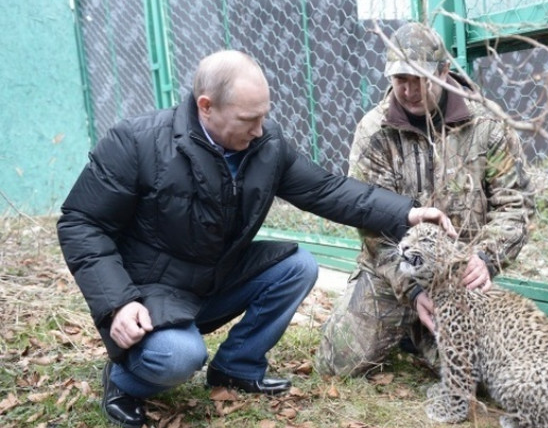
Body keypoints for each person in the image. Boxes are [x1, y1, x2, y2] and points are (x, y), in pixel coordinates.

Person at [56, 49, 454, 428]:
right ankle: (124, 382)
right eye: (249, 118)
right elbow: (81, 223)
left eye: (264, 116)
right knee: (180, 356)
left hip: (215, 276)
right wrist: (118, 303)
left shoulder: (265, 144)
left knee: (297, 267)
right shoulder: (137, 143)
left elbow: (326, 191)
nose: (260, 128)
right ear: (206, 106)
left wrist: (406, 212)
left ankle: (236, 368)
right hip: (150, 291)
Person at [315, 22, 535, 376]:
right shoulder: (375, 131)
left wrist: (486, 259)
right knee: (336, 366)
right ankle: (405, 325)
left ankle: (420, 337)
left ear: (444, 71)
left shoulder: (487, 124)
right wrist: (414, 290)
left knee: (485, 373)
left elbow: (517, 204)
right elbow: (369, 222)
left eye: (420, 78)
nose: (408, 89)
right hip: (391, 274)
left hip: (458, 276)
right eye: (400, 78)